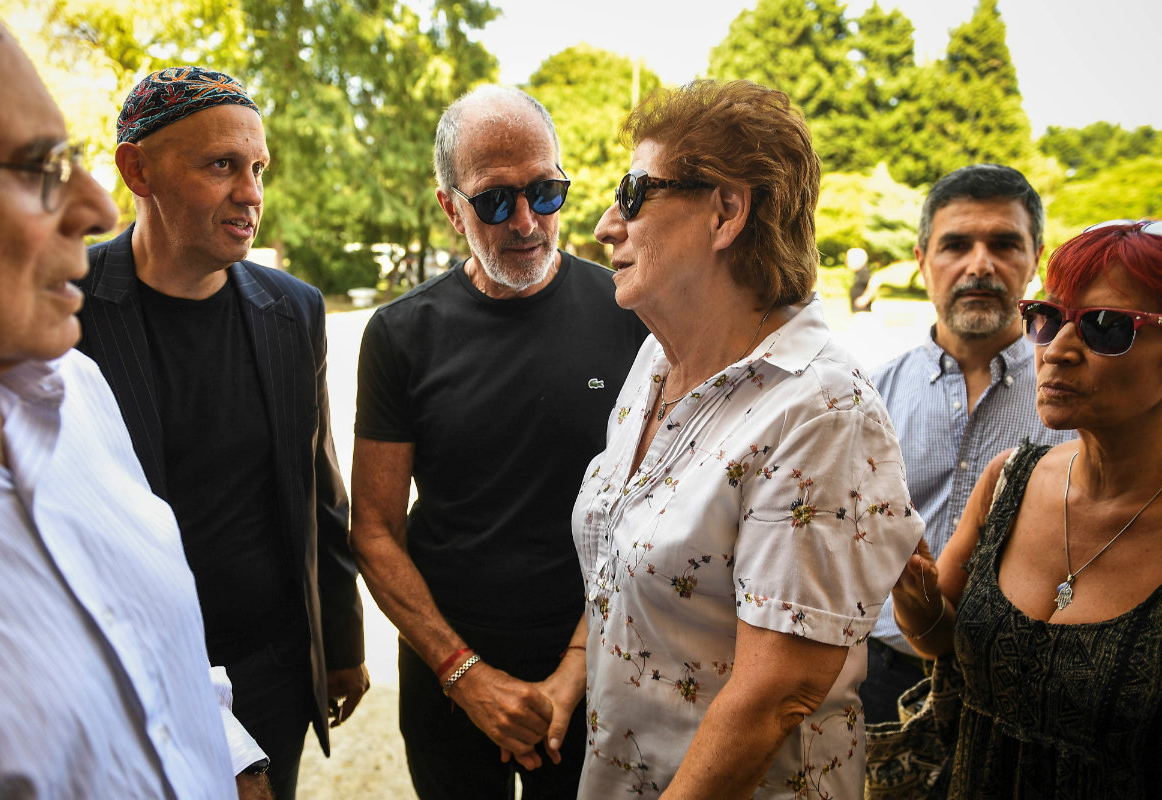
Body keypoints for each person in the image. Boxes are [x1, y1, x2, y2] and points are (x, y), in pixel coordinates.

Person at [572, 79, 923, 798]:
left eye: (633, 194)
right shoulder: (655, 359)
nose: (608, 224)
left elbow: (774, 699)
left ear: (726, 211)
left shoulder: (822, 411)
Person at [0, 3, 270, 795]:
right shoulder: (82, 323)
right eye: (36, 169)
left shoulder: (71, 393)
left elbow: (145, 640)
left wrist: (232, 756)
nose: (92, 208)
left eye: (257, 168)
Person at [350, 84, 649, 798]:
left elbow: (645, 516)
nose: (525, 221)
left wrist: (573, 674)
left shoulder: (629, 317)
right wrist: (465, 676)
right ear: (449, 206)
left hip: (595, 668)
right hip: (448, 676)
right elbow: (375, 530)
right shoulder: (400, 336)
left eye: (545, 192)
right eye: (494, 200)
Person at [76, 66, 366, 800]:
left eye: (258, 168)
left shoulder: (292, 308)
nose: (252, 194)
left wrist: (339, 641)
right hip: (126, 672)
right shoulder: (64, 310)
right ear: (137, 169)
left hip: (271, 671)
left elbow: (318, 485)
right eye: (221, 166)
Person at [893, 219, 1162, 795]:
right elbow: (943, 640)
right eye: (1046, 318)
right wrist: (912, 594)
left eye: (1108, 327)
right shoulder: (1008, 480)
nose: (1057, 351)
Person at [860, 164, 1072, 723]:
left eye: (1004, 244)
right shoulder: (868, 394)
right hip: (881, 679)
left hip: (1024, 691)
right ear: (922, 259)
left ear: (1035, 260)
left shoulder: (1075, 395)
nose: (980, 265)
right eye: (956, 245)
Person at [847, 246, 874, 313]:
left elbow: (875, 282)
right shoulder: (858, 273)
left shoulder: (863, 272)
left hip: (863, 312)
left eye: (849, 260)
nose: (847, 262)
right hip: (858, 311)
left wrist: (865, 299)